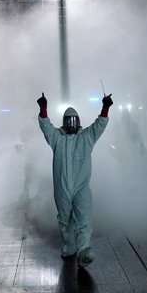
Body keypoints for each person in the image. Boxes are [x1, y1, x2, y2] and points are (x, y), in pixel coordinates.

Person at [37, 91, 112, 268]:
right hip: (62, 188)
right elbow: (46, 127)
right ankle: (69, 245)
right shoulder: (57, 138)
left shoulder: (86, 137)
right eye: (68, 120)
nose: (71, 124)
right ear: (64, 122)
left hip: (81, 187)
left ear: (78, 121)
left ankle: (83, 250)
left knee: (83, 219)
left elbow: (99, 125)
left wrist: (105, 108)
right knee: (65, 219)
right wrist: (43, 109)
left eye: (73, 120)